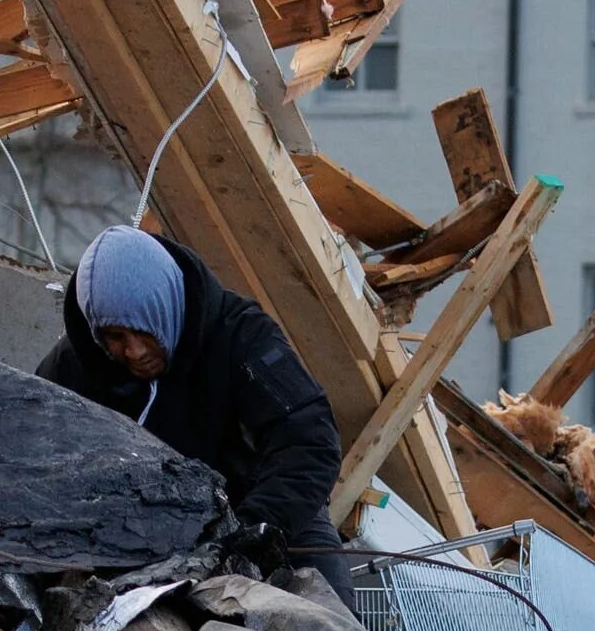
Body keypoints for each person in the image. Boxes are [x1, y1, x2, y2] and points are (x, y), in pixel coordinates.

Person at [40, 225, 359, 602]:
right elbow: (31, 440)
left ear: (166, 304)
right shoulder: (76, 364)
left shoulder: (244, 337)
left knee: (331, 626)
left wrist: (247, 530)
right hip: (139, 533)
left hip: (265, 518)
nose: (134, 352)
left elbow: (311, 445)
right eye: (115, 338)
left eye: (145, 331)